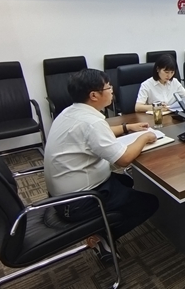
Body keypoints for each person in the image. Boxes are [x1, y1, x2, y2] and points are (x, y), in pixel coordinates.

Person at [44, 69, 159, 260]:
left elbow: (95, 134)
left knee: (127, 182)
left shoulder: (70, 112)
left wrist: (127, 127)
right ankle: (103, 235)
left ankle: (102, 227)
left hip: (60, 198)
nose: (112, 90)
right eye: (108, 87)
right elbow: (124, 159)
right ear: (94, 95)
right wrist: (144, 137)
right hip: (79, 202)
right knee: (149, 203)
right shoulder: (91, 122)